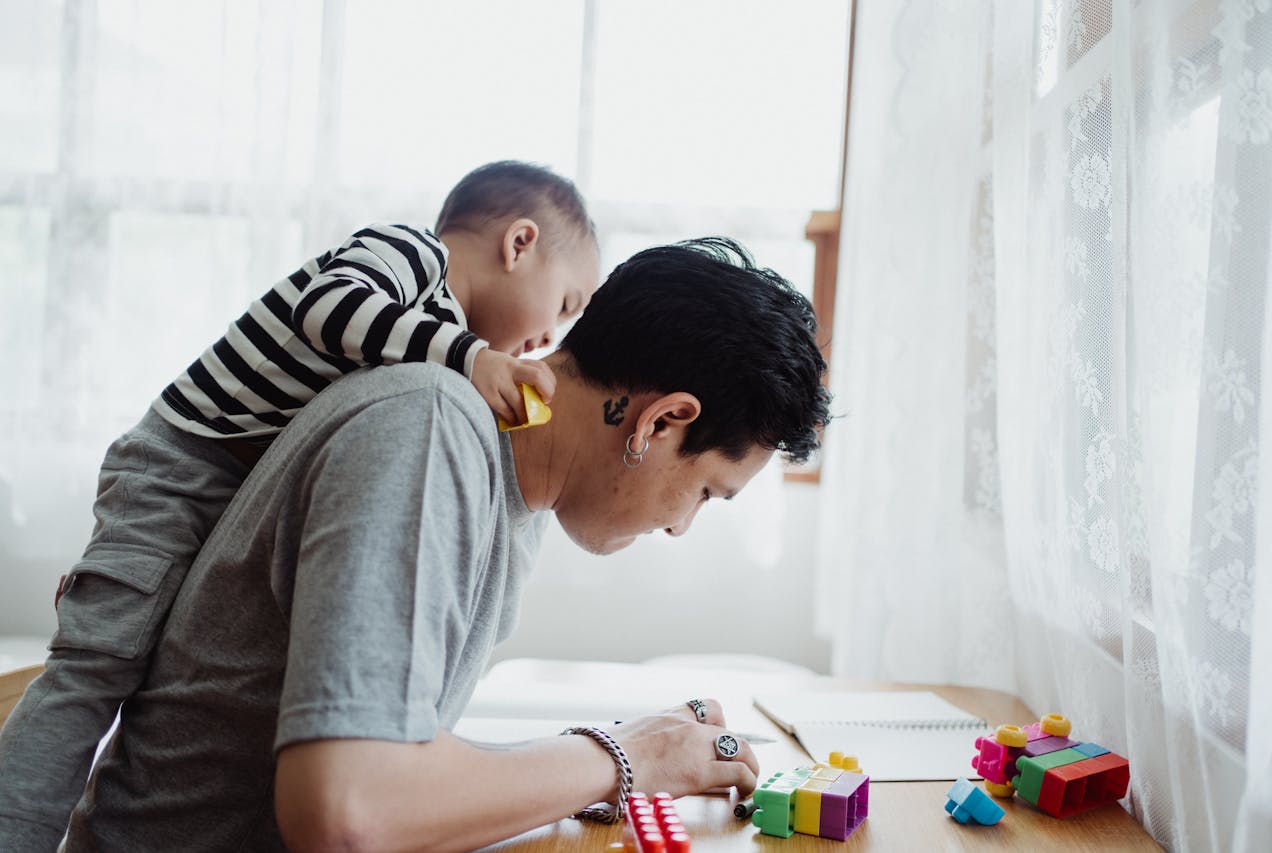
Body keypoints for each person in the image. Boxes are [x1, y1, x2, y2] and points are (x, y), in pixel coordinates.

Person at [55, 236, 831, 852]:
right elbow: (349, 816)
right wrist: (624, 757)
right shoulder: (429, 431)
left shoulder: (513, 490)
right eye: (704, 493)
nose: (679, 526)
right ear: (661, 420)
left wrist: (620, 755)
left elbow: (399, 762)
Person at [0, 161, 601, 851]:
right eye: (563, 305)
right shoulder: (411, 255)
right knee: (93, 670)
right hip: (178, 468)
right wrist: (470, 357)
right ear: (518, 243)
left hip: (225, 490)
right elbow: (327, 308)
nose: (547, 341)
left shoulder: (429, 347)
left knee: (148, 655)